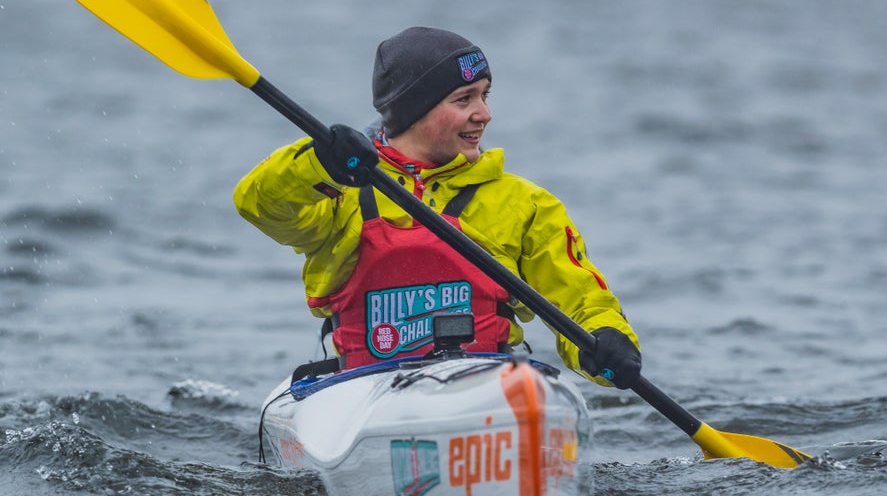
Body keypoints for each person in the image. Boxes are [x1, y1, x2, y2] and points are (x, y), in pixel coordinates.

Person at [234, 26, 641, 388]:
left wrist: (605, 339)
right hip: (364, 393)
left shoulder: (526, 204)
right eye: (464, 99)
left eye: (484, 95)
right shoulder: (341, 192)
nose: (484, 114)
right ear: (415, 111)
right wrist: (315, 162)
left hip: (485, 390)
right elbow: (260, 205)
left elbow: (580, 299)